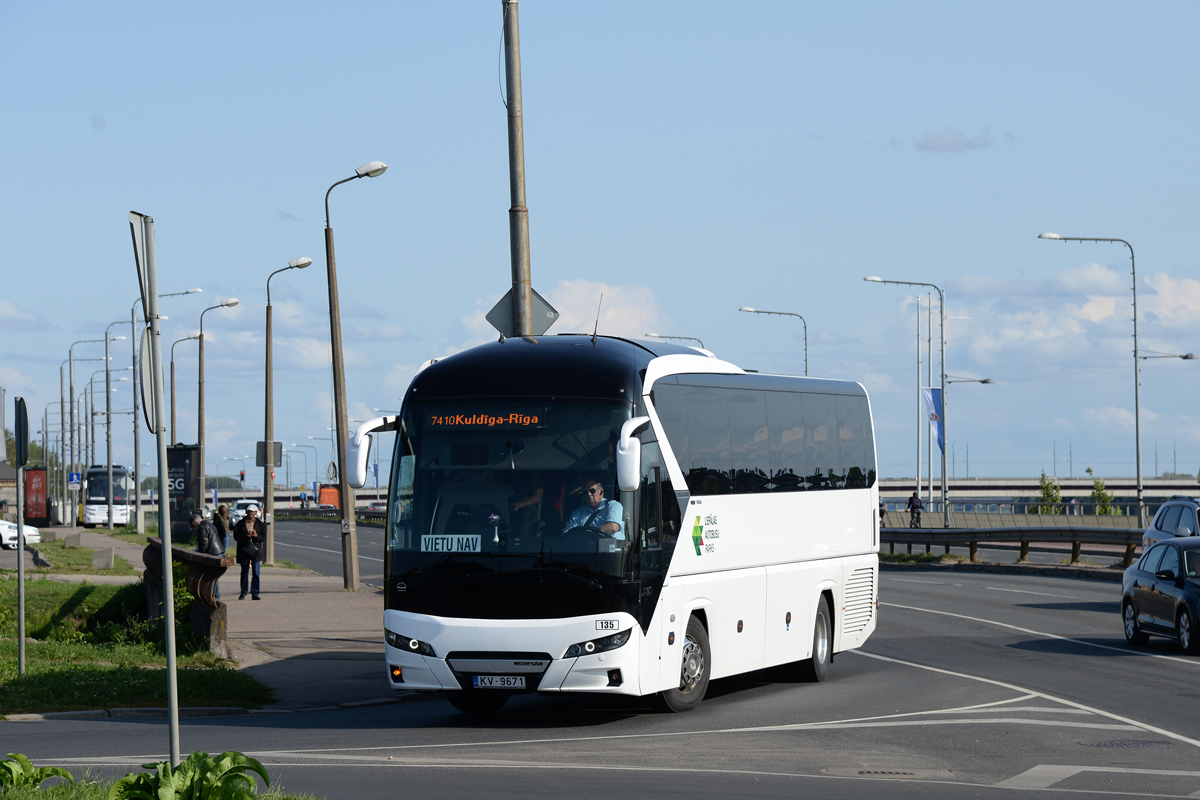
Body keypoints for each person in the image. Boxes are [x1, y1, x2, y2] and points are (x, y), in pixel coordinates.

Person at [233, 502, 266, 600]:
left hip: (256, 551)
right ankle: (243, 592)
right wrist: (245, 536)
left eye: (253, 512)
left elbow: (264, 537)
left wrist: (256, 536)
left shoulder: (260, 524)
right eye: (249, 511)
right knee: (244, 572)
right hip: (244, 550)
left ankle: (255, 593)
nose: (251, 513)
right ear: (247, 512)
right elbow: (236, 536)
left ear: (256, 512)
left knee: (256, 572)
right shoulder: (240, 523)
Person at [192, 511, 224, 600]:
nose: (194, 528)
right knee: (215, 576)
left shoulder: (202, 527)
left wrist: (200, 553)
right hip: (218, 551)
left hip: (213, 553)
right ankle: (215, 596)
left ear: (195, 522)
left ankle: (213, 596)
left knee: (211, 576)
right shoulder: (208, 523)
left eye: (193, 525)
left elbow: (204, 543)